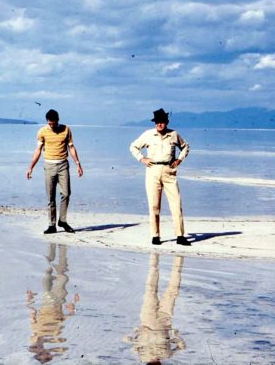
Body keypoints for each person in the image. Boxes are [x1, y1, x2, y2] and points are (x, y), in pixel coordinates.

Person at [130, 108, 191, 246]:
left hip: (169, 171)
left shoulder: (174, 134)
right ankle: (155, 235)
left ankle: (180, 236)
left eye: (162, 122)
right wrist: (142, 159)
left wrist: (179, 160)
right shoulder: (148, 135)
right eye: (157, 122)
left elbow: (186, 147)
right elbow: (133, 147)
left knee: (176, 204)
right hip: (153, 171)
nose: (160, 124)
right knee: (154, 205)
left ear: (166, 122)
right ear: (154, 123)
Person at [27, 109, 83, 234]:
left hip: (63, 165)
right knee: (50, 197)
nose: (52, 126)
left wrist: (78, 164)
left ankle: (62, 220)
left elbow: (71, 147)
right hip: (49, 166)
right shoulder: (42, 131)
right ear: (47, 122)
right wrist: (31, 167)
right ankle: (52, 225)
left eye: (54, 123)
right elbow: (38, 150)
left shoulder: (66, 129)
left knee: (66, 193)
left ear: (58, 120)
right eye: (49, 124)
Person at [124, 253, 186, 363]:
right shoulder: (167, 355)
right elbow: (182, 346)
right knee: (170, 292)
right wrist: (175, 335)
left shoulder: (143, 355)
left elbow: (129, 342)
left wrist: (135, 336)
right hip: (164, 321)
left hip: (149, 320)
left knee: (152, 291)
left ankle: (156, 256)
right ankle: (177, 257)